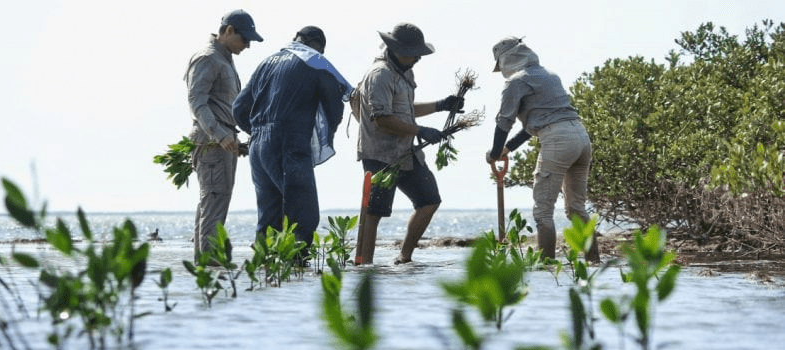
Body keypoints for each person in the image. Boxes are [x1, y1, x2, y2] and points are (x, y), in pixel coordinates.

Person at [354, 23, 464, 265]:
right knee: (374, 212)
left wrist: (441, 105)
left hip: (407, 151)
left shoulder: (405, 72)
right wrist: (421, 131)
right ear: (397, 49)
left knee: (429, 200)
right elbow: (382, 119)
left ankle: (404, 258)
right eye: (414, 53)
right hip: (380, 153)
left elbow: (405, 111)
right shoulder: (380, 74)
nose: (417, 58)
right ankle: (364, 266)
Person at [233, 26, 350, 250]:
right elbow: (335, 104)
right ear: (317, 45)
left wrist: (256, 133)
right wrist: (329, 132)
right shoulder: (314, 61)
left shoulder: (267, 62)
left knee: (269, 218)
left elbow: (238, 108)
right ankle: (300, 275)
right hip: (289, 143)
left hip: (258, 149)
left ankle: (268, 274)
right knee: (302, 215)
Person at [485, 36, 599, 262]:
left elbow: (504, 121)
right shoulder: (549, 75)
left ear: (506, 60)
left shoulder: (516, 82)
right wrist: (508, 148)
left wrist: (495, 151)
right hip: (581, 136)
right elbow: (534, 125)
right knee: (577, 208)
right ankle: (594, 263)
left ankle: (546, 267)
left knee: (543, 211)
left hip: (557, 139)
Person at [185, 9, 263, 260]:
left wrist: (234, 139)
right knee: (214, 204)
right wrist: (220, 135)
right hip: (211, 143)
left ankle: (206, 267)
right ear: (229, 31)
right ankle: (210, 269)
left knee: (213, 204)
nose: (248, 46)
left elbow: (222, 105)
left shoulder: (225, 58)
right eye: (245, 39)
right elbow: (197, 102)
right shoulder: (208, 58)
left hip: (223, 142)